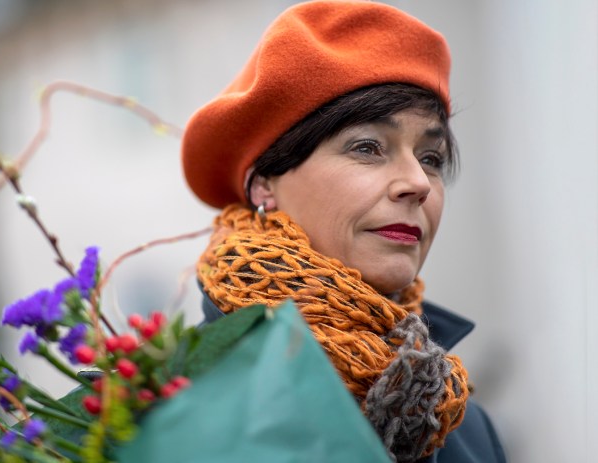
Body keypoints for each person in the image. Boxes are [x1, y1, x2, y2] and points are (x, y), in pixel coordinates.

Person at [180, 1, 506, 462]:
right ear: (263, 184)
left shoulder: (468, 430)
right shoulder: (155, 414)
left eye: (431, 158)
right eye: (368, 147)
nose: (418, 182)